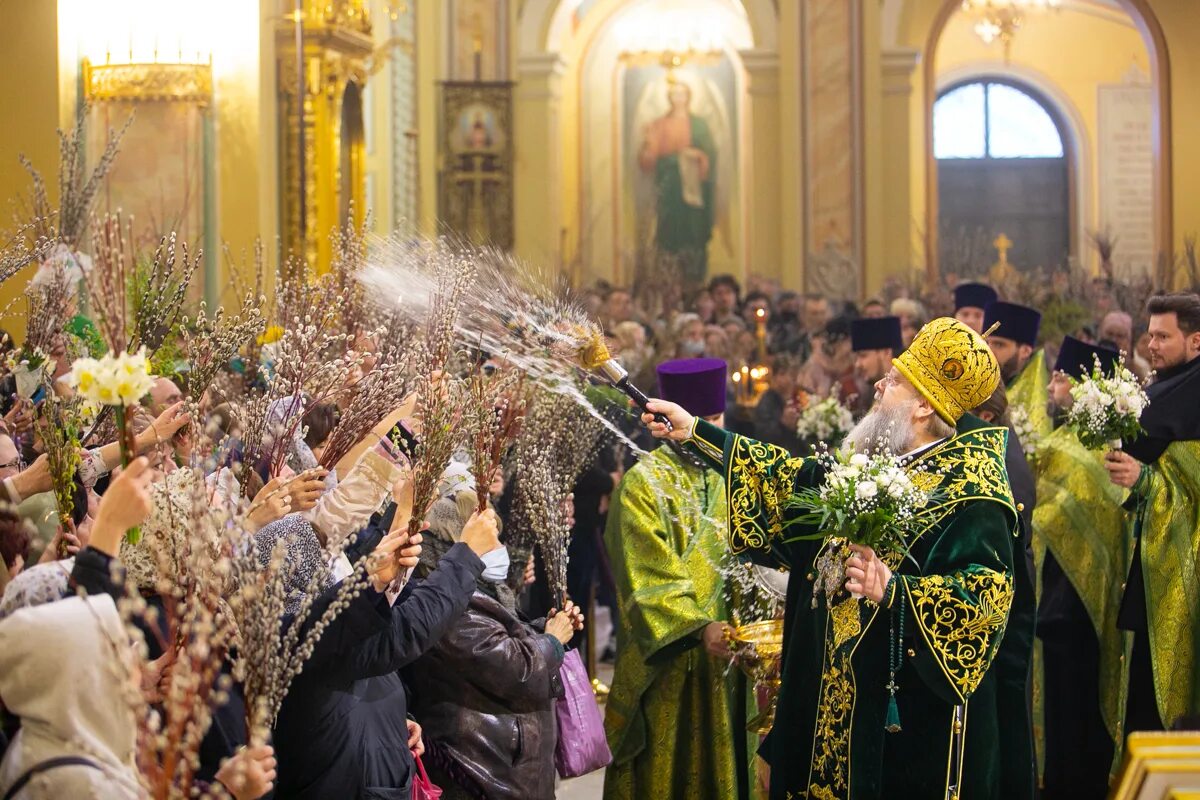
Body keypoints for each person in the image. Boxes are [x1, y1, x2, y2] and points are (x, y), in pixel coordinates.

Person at [642, 318, 1029, 800]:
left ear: (924, 406)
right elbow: (788, 478)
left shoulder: (973, 498)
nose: (877, 385)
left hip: (902, 742)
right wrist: (696, 431)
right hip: (827, 713)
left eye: (893, 382)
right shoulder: (874, 465)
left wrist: (896, 590)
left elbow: (985, 603)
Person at [271, 498, 501, 799]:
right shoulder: (299, 638)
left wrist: (393, 720)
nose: (332, 564)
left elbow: (359, 680)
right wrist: (467, 556)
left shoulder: (324, 629)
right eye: (318, 555)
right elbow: (404, 632)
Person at [604, 358, 754, 800]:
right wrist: (699, 627)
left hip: (733, 660)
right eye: (696, 420)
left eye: (713, 421)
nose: (703, 430)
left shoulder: (738, 478)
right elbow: (643, 573)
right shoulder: (642, 485)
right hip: (666, 666)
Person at [406, 489, 583, 800]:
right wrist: (553, 640)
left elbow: (502, 640)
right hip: (481, 769)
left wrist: (544, 628)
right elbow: (517, 668)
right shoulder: (449, 607)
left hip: (508, 767)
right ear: (455, 543)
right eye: (491, 539)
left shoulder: (481, 592)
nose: (500, 548)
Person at [1034, 336, 1126, 798]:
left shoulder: (1098, 450)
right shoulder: (1060, 441)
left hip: (1075, 609)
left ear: (1083, 384)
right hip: (1054, 605)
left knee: (1077, 712)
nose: (1051, 383)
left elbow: (1088, 520)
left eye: (1060, 375)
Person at [1104, 293, 1200, 735]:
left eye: (1164, 335)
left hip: (1188, 583)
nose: (1151, 343)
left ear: (1196, 341)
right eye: (1150, 333)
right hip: (1152, 568)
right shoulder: (1161, 389)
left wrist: (1146, 482)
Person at [637, 79, 718, 286]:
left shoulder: (699, 125)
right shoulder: (659, 125)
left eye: (682, 94)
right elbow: (648, 161)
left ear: (688, 97)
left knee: (693, 233)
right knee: (668, 232)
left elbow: (710, 155)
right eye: (674, 94)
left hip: (693, 191)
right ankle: (668, 274)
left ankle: (694, 276)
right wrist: (651, 146)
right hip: (670, 186)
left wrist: (697, 155)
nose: (678, 98)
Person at [985, 301, 1050, 438]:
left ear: (1025, 351)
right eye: (987, 343)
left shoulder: (1039, 401)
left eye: (999, 345)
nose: (988, 351)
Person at [849, 316, 903, 417]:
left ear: (886, 352)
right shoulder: (875, 395)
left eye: (863, 355)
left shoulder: (904, 396)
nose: (857, 364)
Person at [753, 354, 802, 455]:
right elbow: (762, 435)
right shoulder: (767, 402)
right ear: (774, 377)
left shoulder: (800, 396)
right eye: (783, 374)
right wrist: (782, 423)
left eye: (791, 374)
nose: (788, 379)